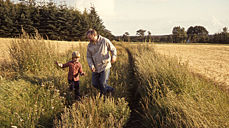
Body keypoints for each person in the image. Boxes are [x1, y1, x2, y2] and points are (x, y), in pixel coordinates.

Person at [86, 29, 117, 96]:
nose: (89, 40)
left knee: (103, 83)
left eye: (90, 38)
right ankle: (110, 90)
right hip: (95, 67)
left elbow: (113, 49)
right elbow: (88, 57)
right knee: (95, 84)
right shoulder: (89, 46)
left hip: (105, 65)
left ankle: (104, 97)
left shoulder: (104, 40)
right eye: (88, 38)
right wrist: (91, 65)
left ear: (95, 35)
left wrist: (114, 56)